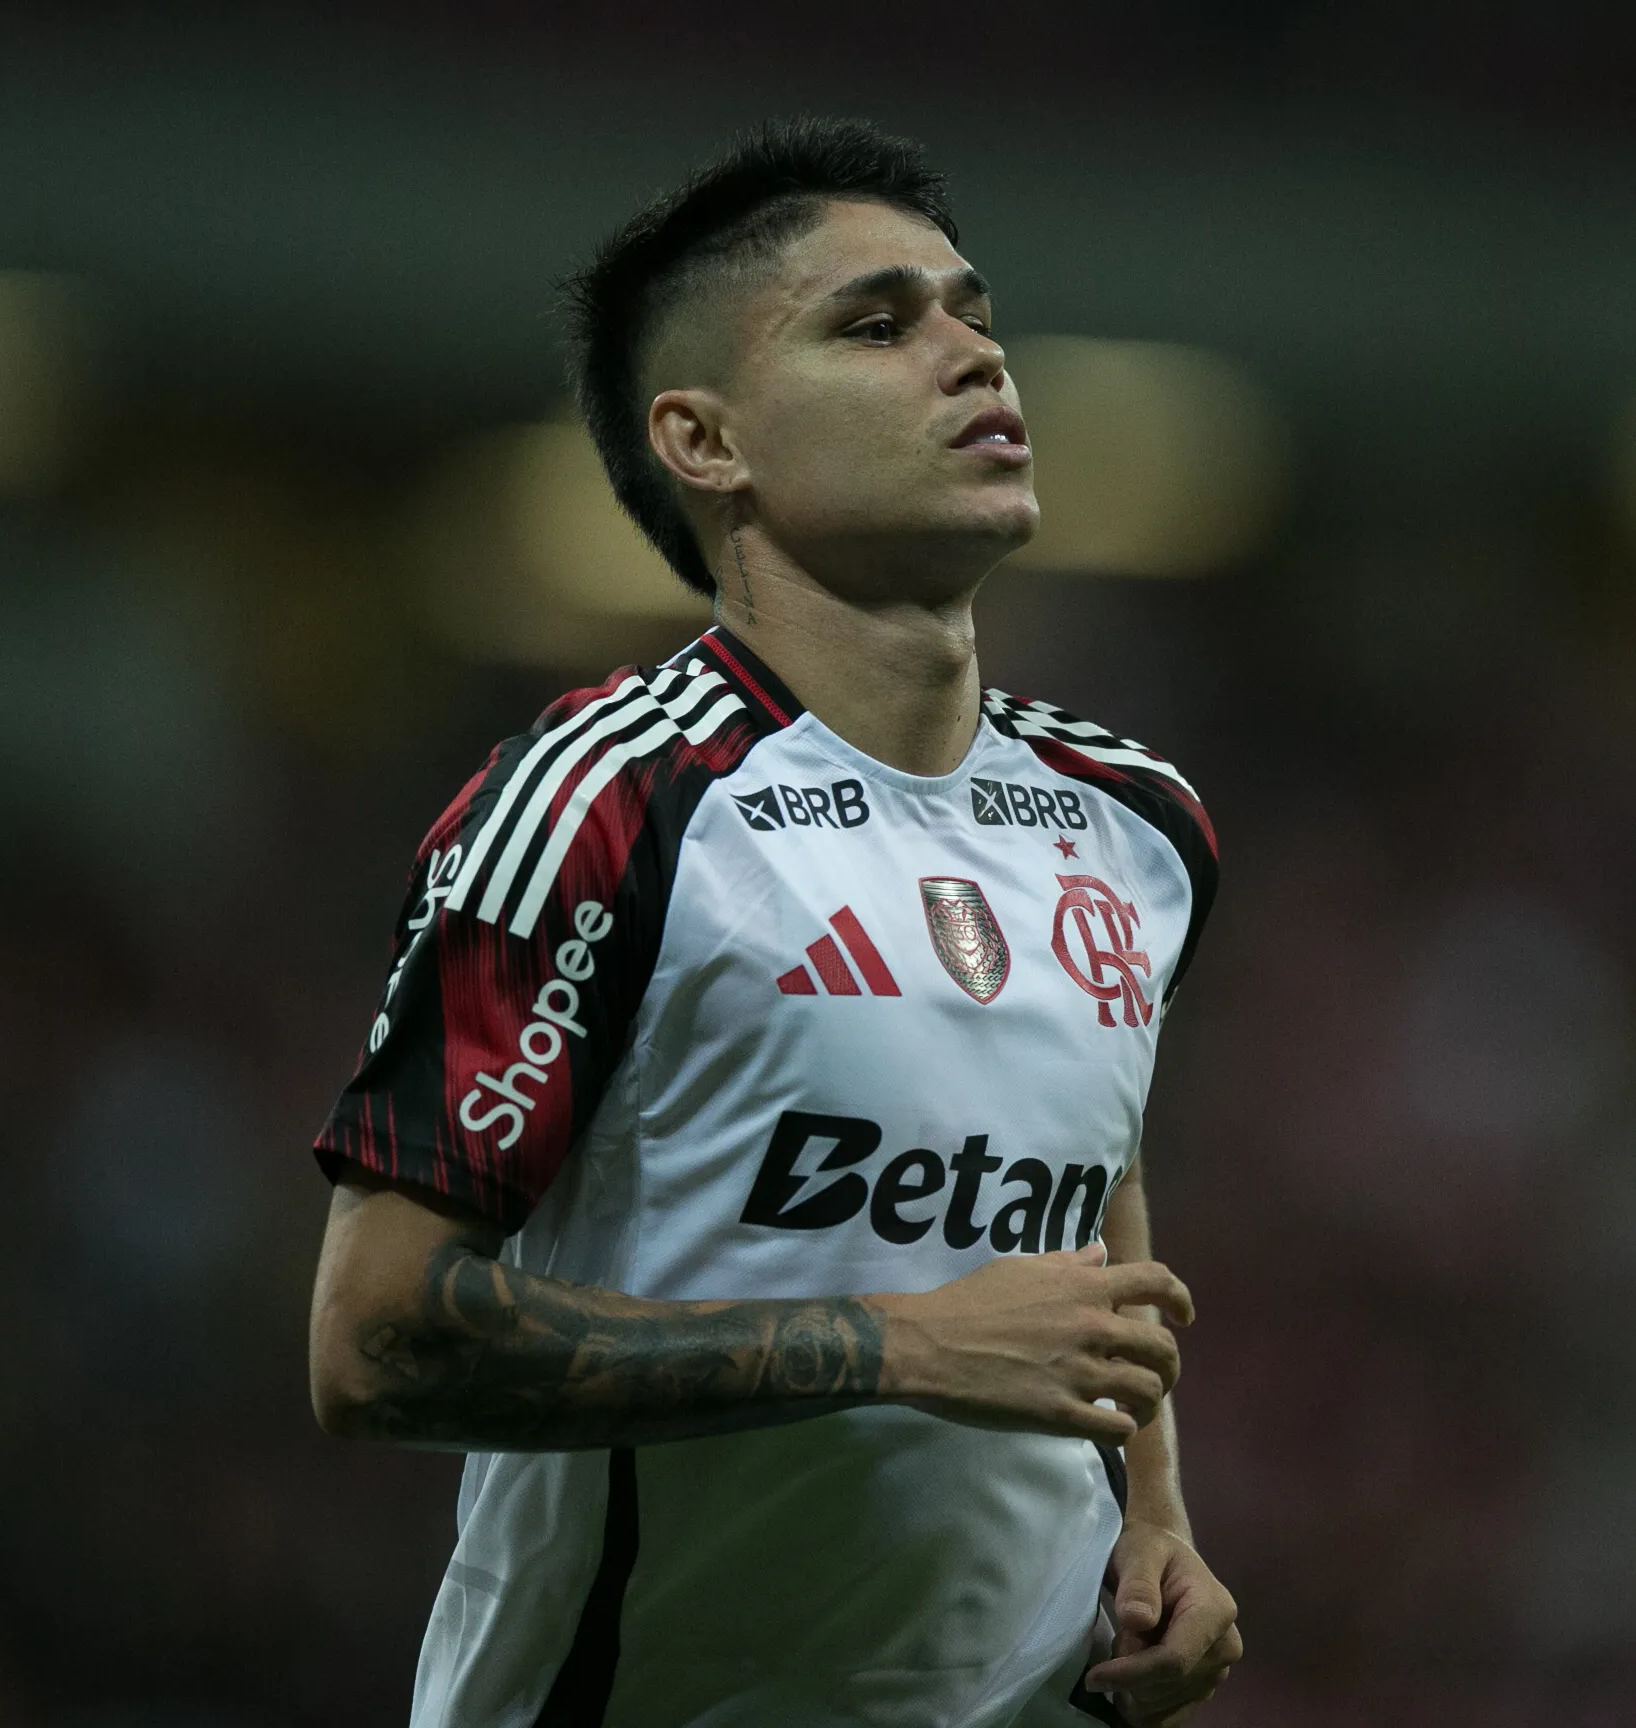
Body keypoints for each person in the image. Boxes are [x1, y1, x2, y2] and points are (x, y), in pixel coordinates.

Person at [304, 117, 1238, 1728]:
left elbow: (1090, 1177)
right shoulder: (605, 804)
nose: (973, 356)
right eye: (876, 326)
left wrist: (1155, 1519)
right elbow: (372, 1344)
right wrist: (896, 1346)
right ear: (704, 439)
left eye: (974, 316)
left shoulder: (1138, 819)